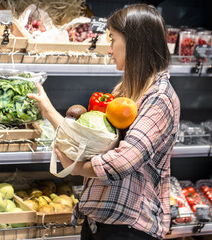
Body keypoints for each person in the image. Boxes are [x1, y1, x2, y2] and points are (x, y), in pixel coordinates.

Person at [28, 3, 180, 240]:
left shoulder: (158, 98)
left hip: (129, 228)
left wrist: (75, 167)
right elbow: (91, 141)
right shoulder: (125, 91)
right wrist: (47, 110)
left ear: (134, 42)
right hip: (101, 220)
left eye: (113, 40)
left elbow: (123, 161)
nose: (109, 50)